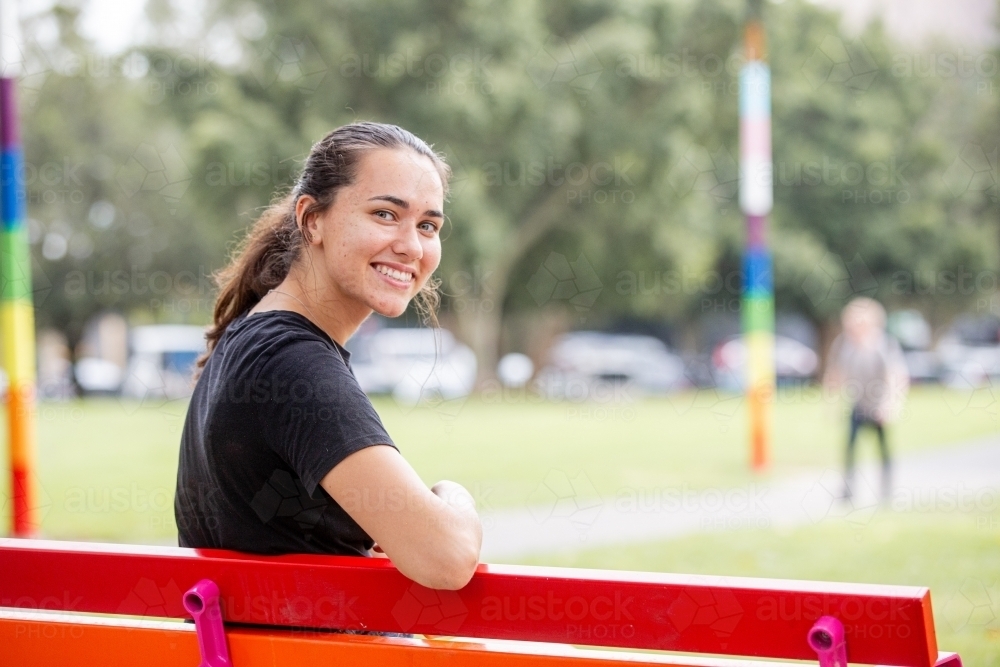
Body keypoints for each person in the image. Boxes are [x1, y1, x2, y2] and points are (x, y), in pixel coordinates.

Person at [174, 122, 482, 594]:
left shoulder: (254, 342)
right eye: (384, 214)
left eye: (428, 225)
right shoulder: (290, 362)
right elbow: (446, 557)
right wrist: (452, 497)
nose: (411, 245)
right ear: (311, 219)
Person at [823, 297, 909, 502]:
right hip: (858, 404)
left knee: (883, 449)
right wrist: (830, 401)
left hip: (878, 405)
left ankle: (886, 491)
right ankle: (848, 490)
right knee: (850, 447)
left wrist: (890, 405)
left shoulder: (883, 345)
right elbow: (836, 372)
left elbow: (896, 376)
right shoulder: (844, 344)